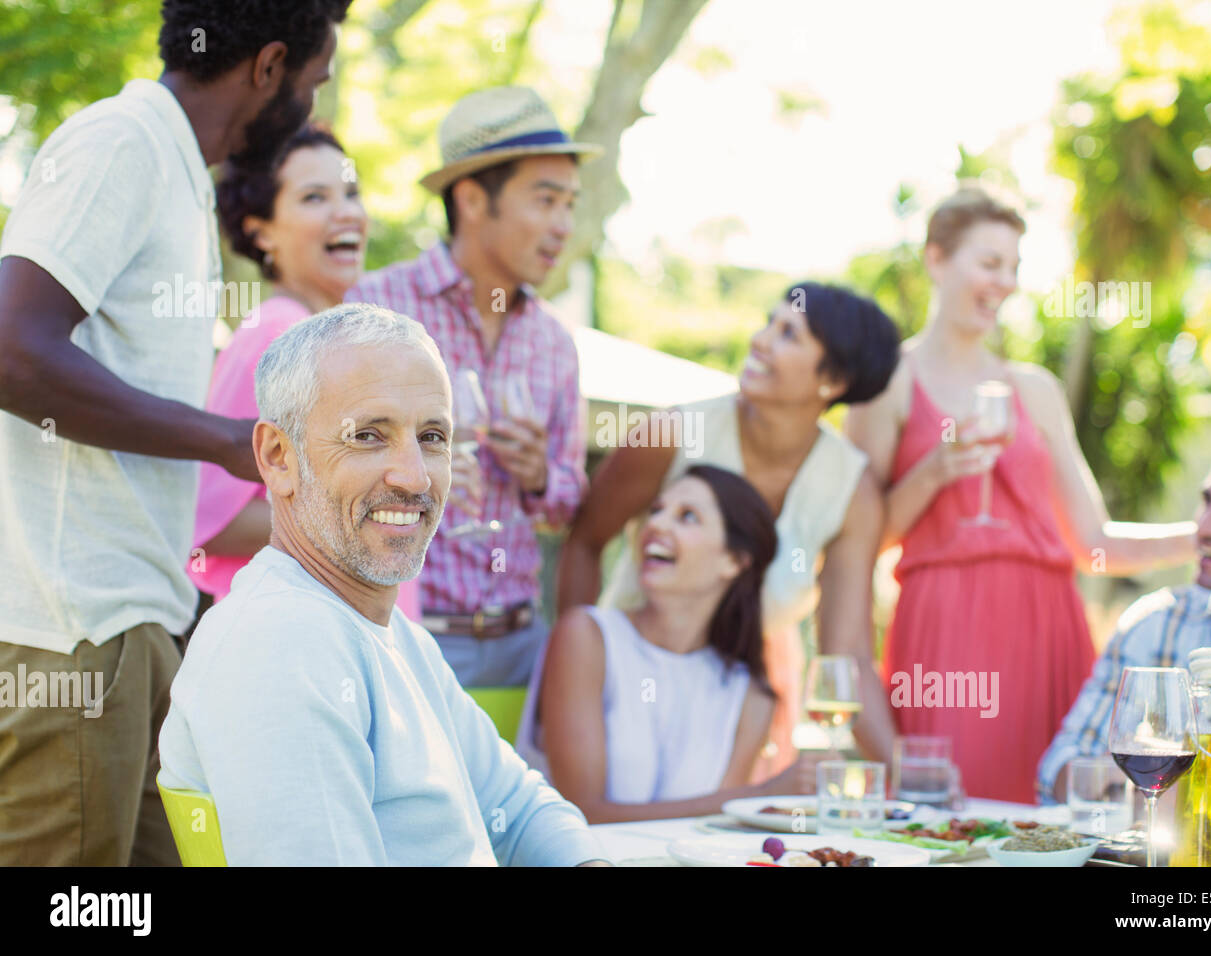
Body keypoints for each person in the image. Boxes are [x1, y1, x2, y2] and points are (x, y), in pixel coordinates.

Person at [0, 0, 350, 866]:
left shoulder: (176, 168)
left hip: (143, 627)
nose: (311, 108)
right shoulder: (123, 142)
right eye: (313, 84)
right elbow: (11, 347)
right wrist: (228, 440)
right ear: (269, 66)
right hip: (75, 628)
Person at [159, 304, 608, 866]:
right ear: (278, 457)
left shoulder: (392, 636)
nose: (415, 476)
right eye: (369, 436)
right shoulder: (282, 644)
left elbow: (520, 810)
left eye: (433, 436)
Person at [844, 186, 1197, 804]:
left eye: (1013, 267)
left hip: (1049, 628)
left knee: (1061, 824)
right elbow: (859, 544)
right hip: (945, 633)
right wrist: (934, 471)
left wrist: (1210, 536)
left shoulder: (1035, 389)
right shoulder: (885, 386)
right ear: (935, 259)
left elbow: (1093, 543)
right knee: (956, 821)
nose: (1004, 282)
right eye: (988, 263)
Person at [558, 282, 901, 779]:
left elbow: (846, 655)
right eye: (769, 322)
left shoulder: (851, 489)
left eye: (788, 334)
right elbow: (586, 540)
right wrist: (574, 675)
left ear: (833, 379)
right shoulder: (672, 432)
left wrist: (906, 780)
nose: (760, 340)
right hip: (623, 689)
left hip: (734, 713)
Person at [345, 85, 601, 689]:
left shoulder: (555, 343)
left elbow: (568, 505)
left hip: (521, 645)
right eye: (545, 200)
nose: (563, 225)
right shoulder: (375, 307)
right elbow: (326, 470)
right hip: (403, 638)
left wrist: (539, 475)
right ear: (471, 199)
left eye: (570, 203)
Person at [189, 123, 420, 620]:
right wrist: (368, 510)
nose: (347, 212)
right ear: (260, 230)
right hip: (299, 638)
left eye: (352, 193)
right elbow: (208, 522)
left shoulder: (347, 339)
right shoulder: (273, 335)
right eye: (315, 197)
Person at [518, 466, 826, 822]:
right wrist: (758, 797)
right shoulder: (586, 639)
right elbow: (583, 815)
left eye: (687, 517)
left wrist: (750, 800)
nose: (657, 525)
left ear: (734, 561)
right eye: (657, 511)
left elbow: (712, 834)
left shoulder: (750, 695)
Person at [1038, 436, 1211, 802]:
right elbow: (1060, 771)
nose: (1204, 528)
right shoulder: (1156, 625)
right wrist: (1137, 778)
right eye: (1207, 502)